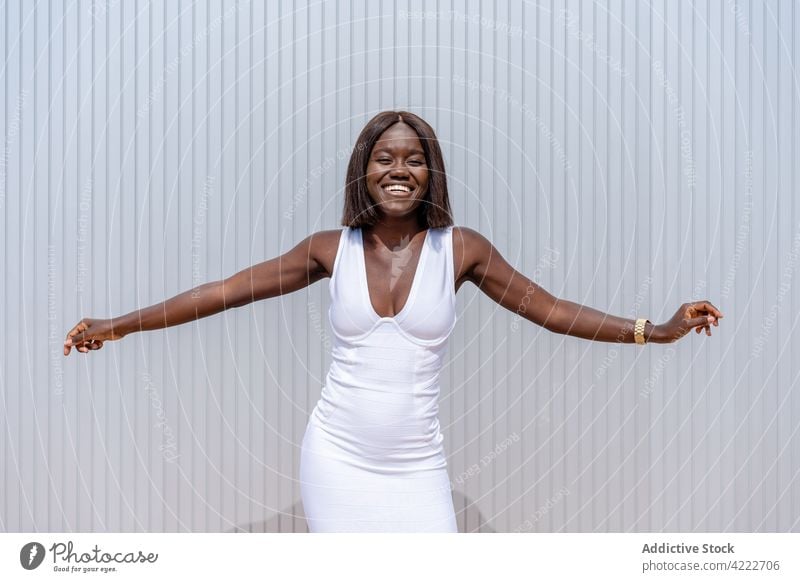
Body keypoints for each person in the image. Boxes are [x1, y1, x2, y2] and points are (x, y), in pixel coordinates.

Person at [63, 110, 723, 532]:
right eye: (385, 158)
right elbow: (224, 291)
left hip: (417, 468)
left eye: (413, 158)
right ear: (364, 170)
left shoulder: (463, 251)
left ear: (432, 173)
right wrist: (117, 325)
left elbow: (550, 311)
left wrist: (655, 329)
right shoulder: (330, 250)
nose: (399, 169)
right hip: (336, 460)